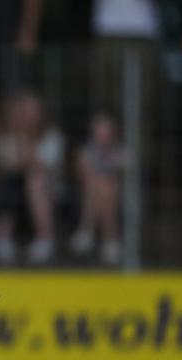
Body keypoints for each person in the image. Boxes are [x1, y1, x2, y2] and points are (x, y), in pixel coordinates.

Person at [0, 91, 65, 265]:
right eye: (24, 112)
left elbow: (41, 166)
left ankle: (45, 237)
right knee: (10, 184)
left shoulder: (53, 137)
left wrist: (28, 141)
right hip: (14, 189)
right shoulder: (8, 138)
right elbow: (6, 165)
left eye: (32, 112)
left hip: (47, 191)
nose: (28, 117)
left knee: (35, 181)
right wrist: (19, 137)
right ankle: (2, 238)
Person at [71, 112, 125, 265]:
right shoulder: (84, 151)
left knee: (107, 187)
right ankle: (111, 239)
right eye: (99, 131)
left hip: (113, 194)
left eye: (106, 131)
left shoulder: (121, 151)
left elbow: (123, 176)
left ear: (112, 132)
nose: (103, 135)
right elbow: (84, 176)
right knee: (101, 187)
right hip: (88, 192)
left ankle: (86, 229)